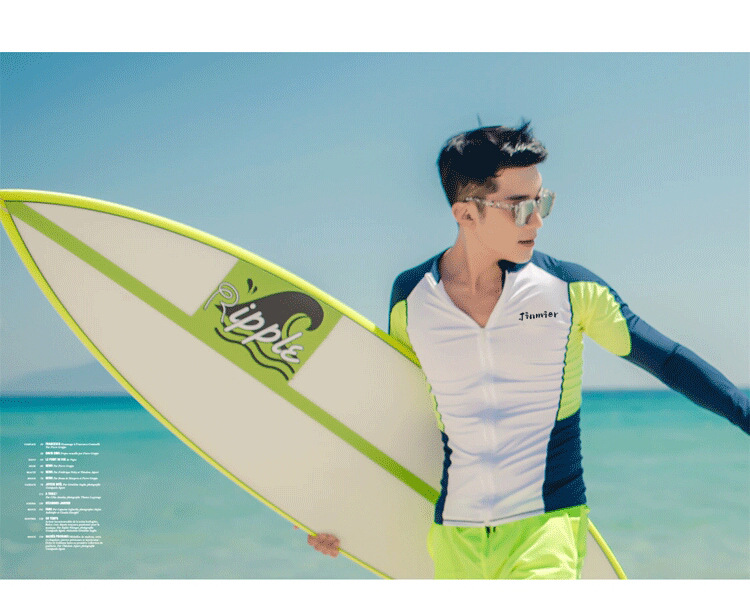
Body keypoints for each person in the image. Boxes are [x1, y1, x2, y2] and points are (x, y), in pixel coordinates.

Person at [303, 122, 750, 578]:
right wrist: (339, 516)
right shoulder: (412, 298)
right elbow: (398, 415)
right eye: (520, 208)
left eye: (543, 203)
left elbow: (668, 361)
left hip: (546, 530)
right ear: (466, 214)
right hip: (453, 537)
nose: (537, 221)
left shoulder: (569, 289)